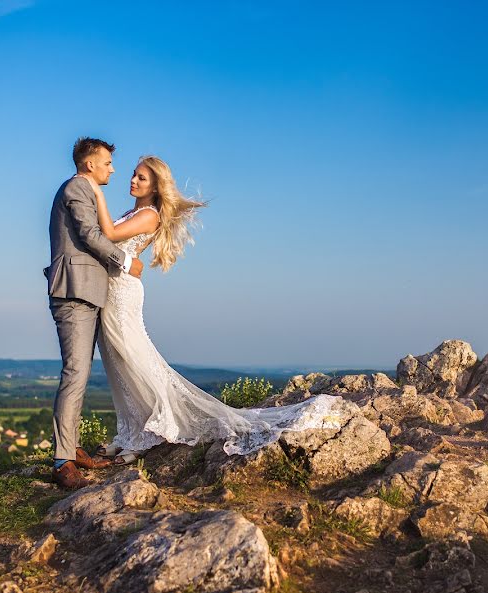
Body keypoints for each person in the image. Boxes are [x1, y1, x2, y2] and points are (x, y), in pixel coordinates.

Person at [86, 156, 343, 466]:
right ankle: (130, 432)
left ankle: (148, 435)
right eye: (133, 175)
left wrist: (95, 192)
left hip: (124, 293)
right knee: (118, 364)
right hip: (112, 292)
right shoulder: (135, 211)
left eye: (141, 178)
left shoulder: (149, 215)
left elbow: (110, 234)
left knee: (135, 359)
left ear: (155, 187)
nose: (132, 180)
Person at [44, 137, 145, 489]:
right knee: (74, 372)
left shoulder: (87, 191)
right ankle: (62, 462)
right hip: (74, 290)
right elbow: (88, 234)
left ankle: (70, 448)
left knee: (81, 374)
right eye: (107, 163)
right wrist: (126, 261)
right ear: (90, 164)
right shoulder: (76, 189)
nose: (112, 169)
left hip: (87, 292)